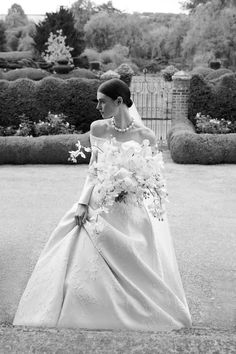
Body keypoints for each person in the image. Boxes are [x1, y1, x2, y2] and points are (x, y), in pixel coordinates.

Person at [13, 78, 192, 331]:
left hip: (130, 209)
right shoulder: (97, 128)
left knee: (134, 261)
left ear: (119, 102)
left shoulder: (147, 136)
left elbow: (152, 177)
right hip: (98, 205)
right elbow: (94, 170)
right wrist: (82, 203)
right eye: (97, 101)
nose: (97, 107)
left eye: (102, 102)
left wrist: (131, 184)